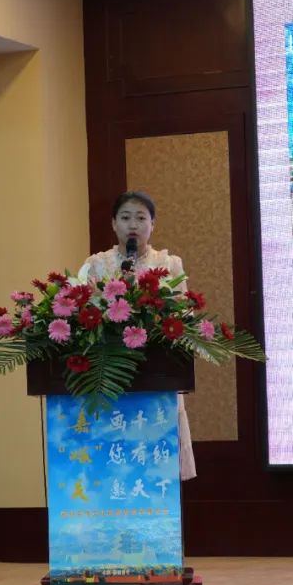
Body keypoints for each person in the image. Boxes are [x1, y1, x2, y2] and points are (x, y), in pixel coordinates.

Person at [78, 190, 197, 481]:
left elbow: (185, 316)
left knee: (157, 474)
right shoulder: (96, 265)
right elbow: (81, 316)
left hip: (157, 377)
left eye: (141, 218)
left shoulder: (169, 264)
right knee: (114, 471)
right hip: (109, 376)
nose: (133, 225)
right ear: (113, 223)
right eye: (125, 217)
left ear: (152, 224)